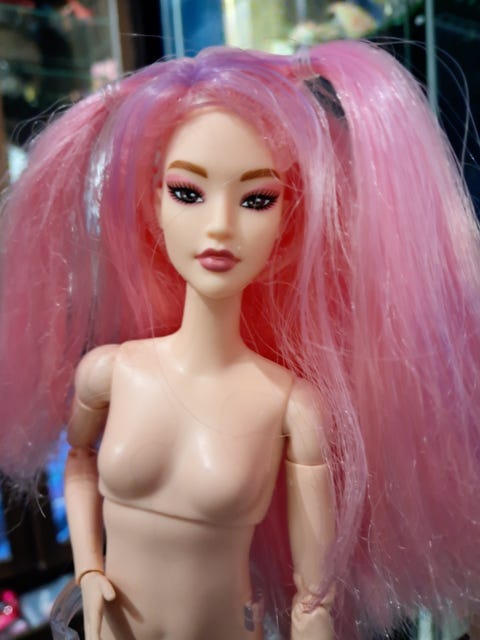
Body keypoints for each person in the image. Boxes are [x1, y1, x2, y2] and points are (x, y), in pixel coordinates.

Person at [0, 40, 479, 640]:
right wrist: (89, 569)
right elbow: (80, 460)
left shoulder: (290, 405)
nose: (220, 227)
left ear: (288, 219)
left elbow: (313, 592)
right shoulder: (109, 372)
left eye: (257, 200)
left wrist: (313, 621)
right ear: (151, 203)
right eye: (188, 193)